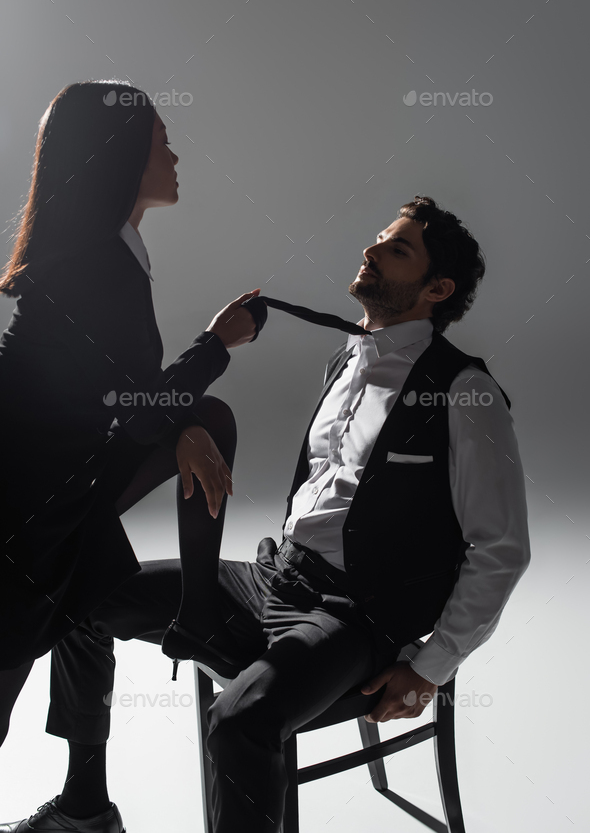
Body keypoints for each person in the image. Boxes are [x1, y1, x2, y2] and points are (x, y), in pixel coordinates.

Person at [1, 195, 531, 833]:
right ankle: (86, 809)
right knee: (77, 595)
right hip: (274, 580)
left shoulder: (465, 390)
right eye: (380, 238)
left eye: (398, 248)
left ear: (436, 288)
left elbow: (500, 547)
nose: (370, 250)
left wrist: (429, 668)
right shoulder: (345, 362)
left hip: (355, 614)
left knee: (237, 722)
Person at [0, 79, 262, 819]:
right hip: (22, 507)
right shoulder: (96, 264)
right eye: (159, 141)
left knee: (204, 416)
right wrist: (218, 343)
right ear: (116, 157)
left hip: (62, 484)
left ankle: (86, 806)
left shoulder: (111, 250)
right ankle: (199, 618)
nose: (175, 155)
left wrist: (185, 418)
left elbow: (129, 395)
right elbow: (140, 407)